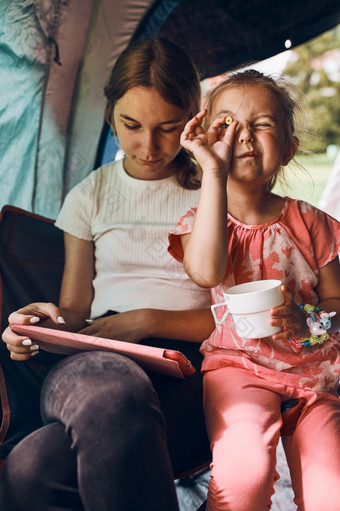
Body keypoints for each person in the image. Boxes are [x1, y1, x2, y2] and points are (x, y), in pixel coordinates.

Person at [0, 38, 215, 511]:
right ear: (109, 113)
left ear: (193, 118)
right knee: (110, 388)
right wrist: (35, 326)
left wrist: (146, 320)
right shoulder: (91, 195)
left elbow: (238, 319)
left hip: (192, 369)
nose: (148, 147)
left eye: (169, 128)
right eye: (130, 125)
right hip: (97, 356)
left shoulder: (215, 189)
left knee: (29, 470)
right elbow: (75, 312)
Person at [168, 69, 340, 511]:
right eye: (226, 125)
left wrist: (311, 320)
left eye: (262, 125)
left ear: (288, 149)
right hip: (238, 369)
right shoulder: (201, 223)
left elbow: (338, 304)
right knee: (243, 481)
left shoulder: (311, 222)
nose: (243, 136)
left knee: (332, 494)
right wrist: (211, 169)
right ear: (205, 139)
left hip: (314, 372)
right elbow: (207, 273)